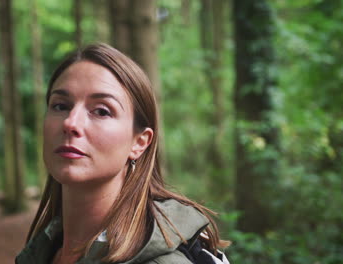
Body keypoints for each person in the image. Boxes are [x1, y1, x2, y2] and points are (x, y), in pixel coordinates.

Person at [16, 43, 229, 264]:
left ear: (139, 142)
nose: (71, 123)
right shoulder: (44, 250)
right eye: (60, 106)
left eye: (101, 111)